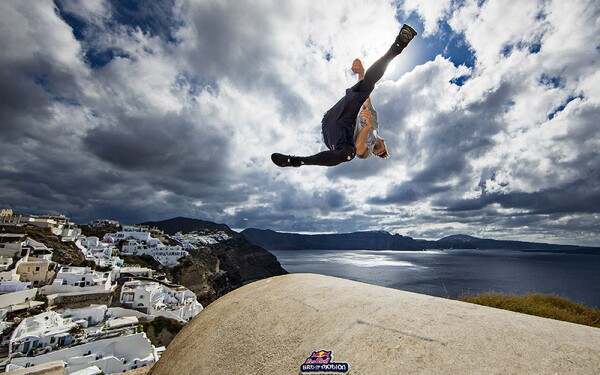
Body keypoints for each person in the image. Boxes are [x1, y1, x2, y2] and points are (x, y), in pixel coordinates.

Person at [271, 24, 417, 168]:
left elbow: (359, 147)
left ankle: (297, 161)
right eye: (383, 150)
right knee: (368, 87)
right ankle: (399, 44)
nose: (379, 151)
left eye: (379, 154)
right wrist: (361, 72)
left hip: (337, 134)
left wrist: (367, 128)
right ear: (384, 141)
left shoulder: (368, 153)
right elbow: (365, 97)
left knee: (349, 153)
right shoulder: (375, 121)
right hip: (344, 114)